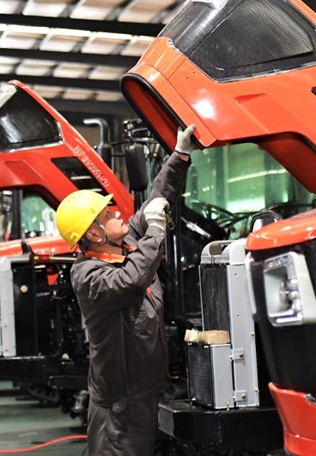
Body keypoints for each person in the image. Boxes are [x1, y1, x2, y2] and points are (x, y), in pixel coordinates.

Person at [54, 124, 198, 455]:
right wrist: (156, 234)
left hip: (145, 392)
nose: (119, 213)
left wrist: (180, 153)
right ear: (94, 234)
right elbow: (131, 282)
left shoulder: (126, 243)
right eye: (108, 214)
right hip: (120, 408)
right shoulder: (88, 275)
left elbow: (157, 201)